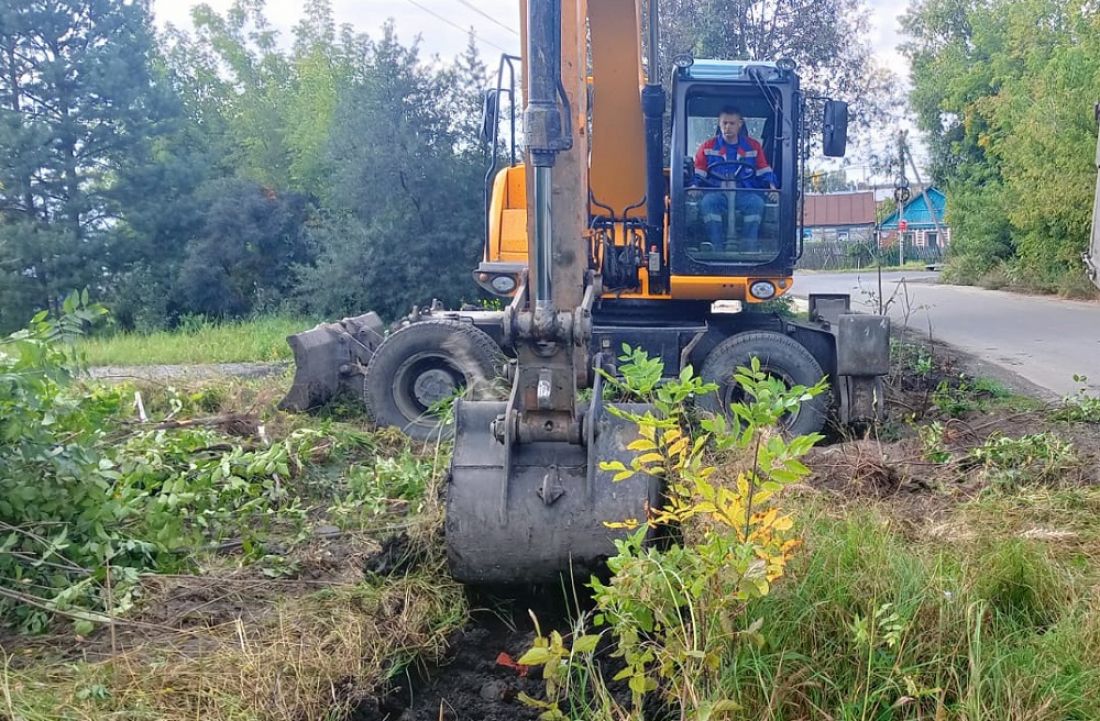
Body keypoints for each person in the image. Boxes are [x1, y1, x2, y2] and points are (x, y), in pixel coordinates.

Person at [693, 107, 778, 252]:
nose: (728, 127)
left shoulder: (753, 147)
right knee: (708, 203)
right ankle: (717, 248)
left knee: (756, 203)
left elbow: (764, 170)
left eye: (732, 123)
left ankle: (748, 247)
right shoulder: (707, 147)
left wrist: (773, 188)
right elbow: (698, 173)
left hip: (743, 193)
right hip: (717, 194)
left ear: (740, 124)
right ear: (719, 124)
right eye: (724, 123)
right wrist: (694, 187)